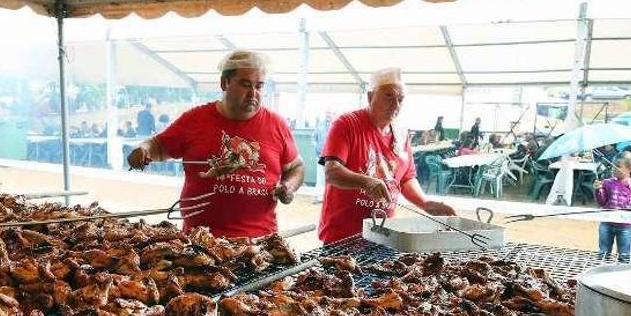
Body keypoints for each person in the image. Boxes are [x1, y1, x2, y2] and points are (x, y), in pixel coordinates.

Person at [127, 50, 304, 238]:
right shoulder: (195, 120)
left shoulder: (276, 124)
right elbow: (158, 146)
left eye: (259, 86)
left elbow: (296, 167)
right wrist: (143, 151)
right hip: (200, 242)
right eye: (245, 85)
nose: (253, 93)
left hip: (260, 241)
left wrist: (288, 187)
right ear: (224, 83)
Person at [317, 67, 455, 244]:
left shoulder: (401, 134)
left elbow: (405, 178)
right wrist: (367, 181)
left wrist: (424, 203)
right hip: (342, 237)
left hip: (382, 236)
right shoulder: (347, 124)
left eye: (400, 99)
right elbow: (332, 172)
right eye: (389, 96)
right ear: (370, 96)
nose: (395, 104)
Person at [594, 152, 631, 261]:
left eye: (618, 166)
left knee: (624, 255)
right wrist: (598, 190)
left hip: (625, 226)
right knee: (603, 253)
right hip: (606, 224)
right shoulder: (607, 183)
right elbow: (601, 202)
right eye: (612, 165)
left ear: (630, 168)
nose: (613, 168)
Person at [313, 111, 334, 203]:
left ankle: (329, 198)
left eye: (330, 113)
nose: (328, 115)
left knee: (331, 176)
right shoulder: (320, 125)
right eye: (327, 113)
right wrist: (316, 147)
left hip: (332, 156)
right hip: (320, 155)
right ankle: (319, 197)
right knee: (320, 177)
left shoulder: (336, 124)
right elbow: (313, 137)